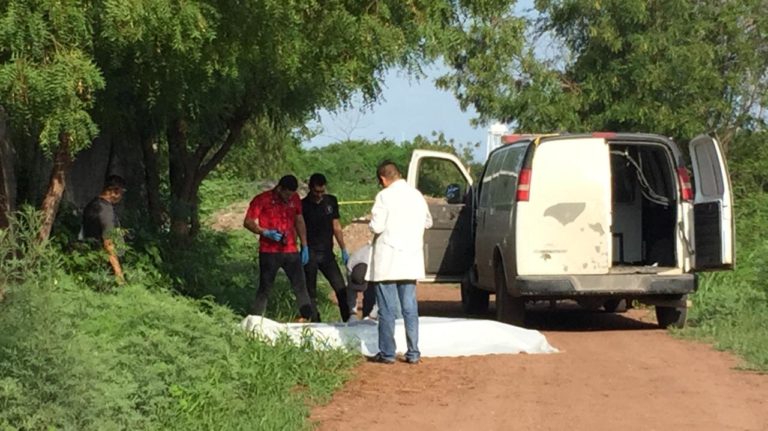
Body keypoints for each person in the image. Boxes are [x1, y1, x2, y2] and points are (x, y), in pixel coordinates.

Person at [366, 161, 432, 364]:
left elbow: (377, 226)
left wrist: (371, 223)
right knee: (410, 308)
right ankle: (413, 352)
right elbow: (428, 222)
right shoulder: (416, 195)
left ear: (383, 179)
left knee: (387, 309)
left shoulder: (384, 196)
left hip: (388, 260)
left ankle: (387, 353)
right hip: (410, 258)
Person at [243, 175, 314, 321]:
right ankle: (255, 320)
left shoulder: (295, 199)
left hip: (290, 250)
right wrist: (263, 231)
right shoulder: (262, 199)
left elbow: (299, 220)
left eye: (291, 195)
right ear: (279, 188)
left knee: (300, 285)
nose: (289, 198)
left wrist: (304, 244)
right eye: (287, 194)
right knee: (265, 287)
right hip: (269, 251)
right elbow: (248, 221)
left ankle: (307, 319)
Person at [301, 173, 351, 322]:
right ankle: (315, 322)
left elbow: (336, 226)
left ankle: (348, 320)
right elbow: (299, 227)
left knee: (341, 289)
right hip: (310, 252)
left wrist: (343, 248)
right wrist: (304, 246)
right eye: (316, 191)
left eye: (322, 191)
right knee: (311, 291)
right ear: (310, 188)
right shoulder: (303, 205)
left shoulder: (331, 201)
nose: (319, 195)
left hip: (327, 253)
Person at [81, 174, 127, 284]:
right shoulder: (105, 210)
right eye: (121, 192)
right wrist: (118, 273)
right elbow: (108, 242)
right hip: (105, 265)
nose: (121, 196)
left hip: (92, 257)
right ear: (115, 191)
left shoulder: (93, 204)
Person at [345, 243, 377, 320]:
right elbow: (350, 292)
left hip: (381, 264)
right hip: (364, 262)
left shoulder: (376, 265)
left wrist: (372, 315)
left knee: (371, 296)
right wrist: (353, 313)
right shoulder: (350, 266)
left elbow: (381, 296)